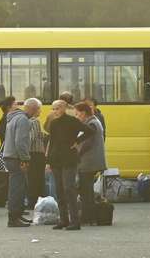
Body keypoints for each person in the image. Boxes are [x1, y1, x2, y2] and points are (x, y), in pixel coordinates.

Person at [45, 99, 87, 231]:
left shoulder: (72, 121)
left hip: (69, 159)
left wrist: (77, 141)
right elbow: (52, 142)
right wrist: (48, 161)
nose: (55, 111)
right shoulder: (54, 123)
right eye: (53, 109)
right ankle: (63, 220)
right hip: (56, 159)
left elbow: (90, 130)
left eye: (57, 108)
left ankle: (75, 221)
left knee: (69, 188)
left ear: (64, 108)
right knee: (59, 190)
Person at [2, 98, 38, 227]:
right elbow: (20, 141)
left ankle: (17, 215)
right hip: (16, 157)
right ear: (32, 109)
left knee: (18, 187)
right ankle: (13, 218)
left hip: (10, 156)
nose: (39, 112)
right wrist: (25, 158)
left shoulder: (15, 117)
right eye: (38, 109)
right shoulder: (23, 120)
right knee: (17, 189)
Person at [75, 102, 107, 226]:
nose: (77, 117)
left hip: (89, 161)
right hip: (90, 161)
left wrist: (77, 153)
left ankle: (88, 217)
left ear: (83, 113)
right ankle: (89, 216)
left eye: (77, 114)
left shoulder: (91, 123)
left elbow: (87, 142)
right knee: (86, 190)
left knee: (86, 190)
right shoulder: (94, 121)